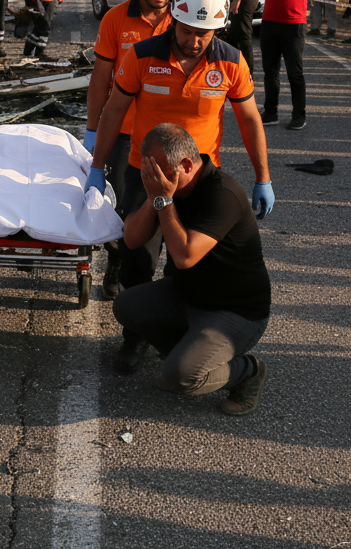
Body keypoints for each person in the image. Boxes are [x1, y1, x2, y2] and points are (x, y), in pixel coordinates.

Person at [86, 0, 273, 371]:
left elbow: (251, 121)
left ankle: (181, 335)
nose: (194, 41)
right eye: (188, 31)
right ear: (173, 18)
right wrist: (97, 166)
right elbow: (114, 110)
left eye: (204, 34)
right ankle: (133, 337)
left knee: (186, 261)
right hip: (143, 173)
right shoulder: (140, 56)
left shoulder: (231, 61)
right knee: (137, 255)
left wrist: (263, 177)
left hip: (198, 185)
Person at [112, 123, 271, 414]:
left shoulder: (222, 194)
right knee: (126, 306)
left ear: (186, 164)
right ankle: (185, 353)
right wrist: (153, 197)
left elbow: (185, 256)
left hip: (235, 311)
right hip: (186, 295)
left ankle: (248, 371)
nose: (154, 179)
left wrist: (163, 199)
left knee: (183, 377)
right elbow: (132, 239)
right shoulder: (168, 188)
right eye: (150, 171)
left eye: (159, 171)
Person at [84, 0, 185, 298]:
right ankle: (118, 264)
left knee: (174, 216)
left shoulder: (184, 23)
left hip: (172, 139)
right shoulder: (115, 20)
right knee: (123, 214)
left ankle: (167, 292)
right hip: (125, 135)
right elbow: (100, 79)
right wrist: (93, 130)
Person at [234, 0, 315, 130]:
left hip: (293, 23)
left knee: (294, 73)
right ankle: (271, 112)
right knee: (270, 71)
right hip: (270, 22)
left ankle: (299, 114)